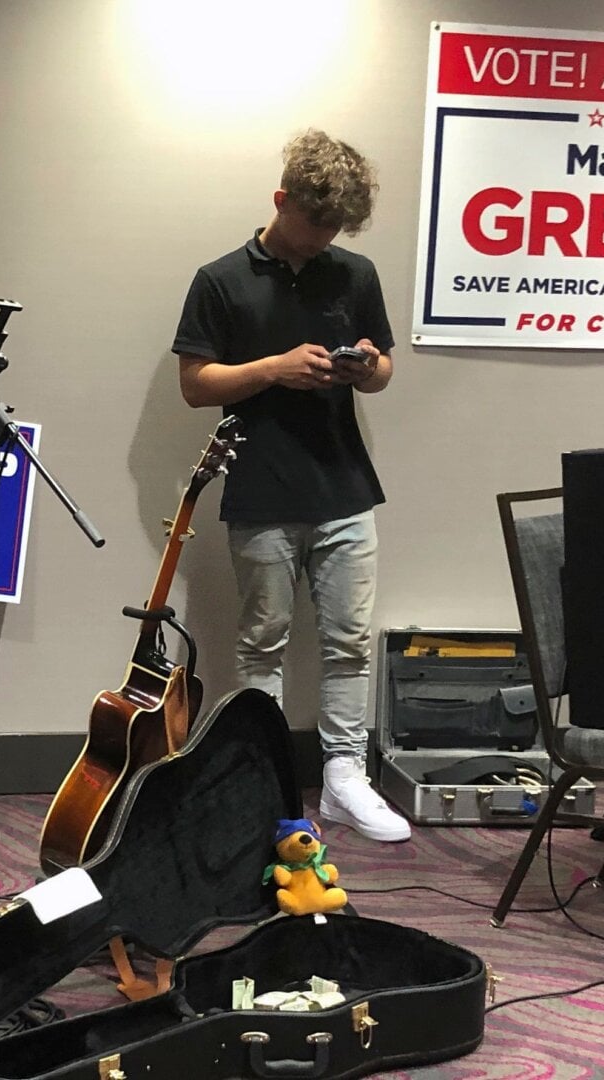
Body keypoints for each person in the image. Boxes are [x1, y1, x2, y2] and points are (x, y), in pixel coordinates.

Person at [170, 129, 410, 843]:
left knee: (349, 642)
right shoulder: (219, 279)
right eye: (315, 223)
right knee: (263, 643)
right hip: (262, 486)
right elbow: (193, 384)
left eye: (337, 227)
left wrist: (366, 367)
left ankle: (343, 778)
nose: (323, 239)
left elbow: (387, 365)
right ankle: (264, 783)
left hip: (343, 485)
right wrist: (273, 369)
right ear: (281, 201)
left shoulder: (355, 274)